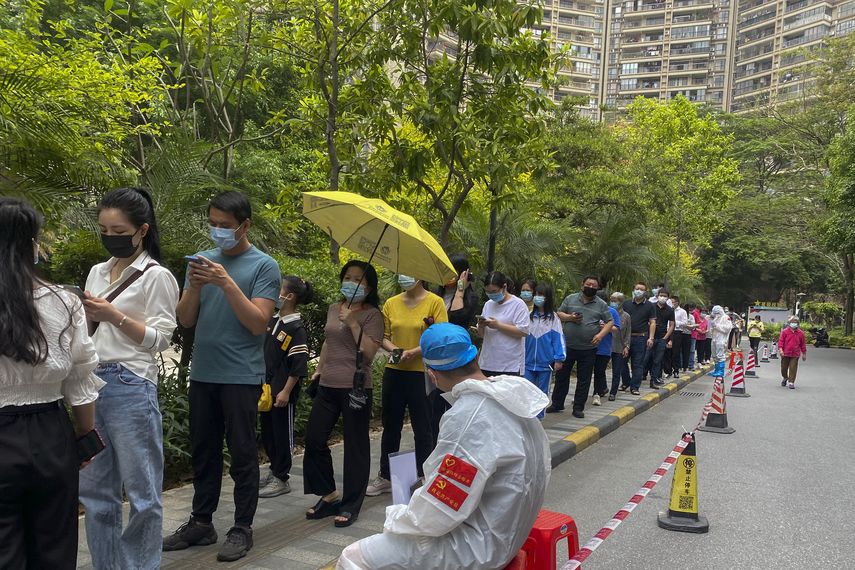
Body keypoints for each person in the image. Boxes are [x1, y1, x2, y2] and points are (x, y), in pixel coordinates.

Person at [335, 323, 550, 570]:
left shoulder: (469, 416)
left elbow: (439, 510)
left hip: (475, 548)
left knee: (354, 556)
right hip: (504, 531)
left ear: (431, 373)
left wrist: (396, 517)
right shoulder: (513, 398)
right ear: (475, 356)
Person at [163, 191, 281, 562]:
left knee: (243, 453)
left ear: (245, 225)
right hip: (204, 374)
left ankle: (242, 527)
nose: (217, 232)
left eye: (225, 226)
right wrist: (196, 286)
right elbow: (185, 319)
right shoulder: (200, 262)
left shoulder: (265, 266)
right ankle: (201, 522)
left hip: (241, 376)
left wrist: (226, 282)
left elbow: (258, 323)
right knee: (204, 450)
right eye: (212, 224)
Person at [79, 188, 180, 570]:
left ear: (141, 231)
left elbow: (161, 339)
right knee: (95, 494)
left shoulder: (158, 276)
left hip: (130, 384)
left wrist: (114, 316)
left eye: (118, 229)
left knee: (143, 493)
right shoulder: (97, 271)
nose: (110, 235)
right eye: (104, 228)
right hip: (90, 385)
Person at [0, 197, 103, 569]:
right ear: (32, 244)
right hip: (50, 434)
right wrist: (85, 436)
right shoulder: (65, 301)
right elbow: (80, 379)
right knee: (55, 547)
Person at [303, 261, 384, 527]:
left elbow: (370, 354)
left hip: (356, 388)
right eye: (347, 277)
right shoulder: (333, 309)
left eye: (358, 279)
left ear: (369, 286)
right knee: (314, 439)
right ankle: (329, 495)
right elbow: (329, 341)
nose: (351, 282)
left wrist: (353, 323)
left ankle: (351, 504)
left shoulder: (373, 315)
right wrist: (319, 370)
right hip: (328, 384)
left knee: (355, 447)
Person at [366, 275, 448, 497]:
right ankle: (385, 475)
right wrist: (396, 350)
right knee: (390, 425)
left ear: (421, 275)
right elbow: (383, 336)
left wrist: (414, 351)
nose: (404, 276)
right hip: (394, 370)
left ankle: (424, 475)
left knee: (423, 426)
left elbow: (440, 336)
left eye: (409, 271)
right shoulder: (391, 302)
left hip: (421, 372)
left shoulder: (435, 302)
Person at [258, 276, 312, 499]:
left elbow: (298, 366)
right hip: (267, 391)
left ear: (289, 296)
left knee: (282, 433)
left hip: (282, 392)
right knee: (269, 432)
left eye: (277, 288)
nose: (274, 292)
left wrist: (286, 391)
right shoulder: (274, 321)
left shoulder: (296, 328)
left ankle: (282, 477)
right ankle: (273, 470)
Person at [547, 275, 613, 418]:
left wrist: (600, 335)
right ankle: (557, 403)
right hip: (568, 346)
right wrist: (570, 317)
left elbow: (610, 322)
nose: (591, 287)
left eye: (594, 286)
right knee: (562, 376)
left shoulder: (601, 304)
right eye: (588, 284)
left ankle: (578, 407)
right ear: (582, 284)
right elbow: (558, 313)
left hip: (588, 348)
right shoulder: (570, 298)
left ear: (597, 288)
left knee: (584, 379)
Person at [432, 254, 478, 446]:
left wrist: (460, 290)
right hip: (436, 356)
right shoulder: (437, 296)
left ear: (463, 274)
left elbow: (459, 317)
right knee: (435, 406)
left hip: (457, 359)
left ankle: (456, 445)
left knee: (455, 404)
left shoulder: (470, 297)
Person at [523, 283, 566, 418]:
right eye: (536, 294)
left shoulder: (553, 318)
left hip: (545, 363)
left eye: (541, 295)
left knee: (542, 392)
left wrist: (559, 358)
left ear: (547, 298)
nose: (537, 297)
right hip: (528, 362)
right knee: (527, 390)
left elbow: (558, 339)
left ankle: (539, 417)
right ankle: (527, 417)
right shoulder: (528, 315)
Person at [477, 271, 530, 376]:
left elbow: (523, 331)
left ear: (504, 287)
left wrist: (498, 325)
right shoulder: (488, 305)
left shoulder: (518, 304)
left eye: (494, 291)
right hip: (487, 362)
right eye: (488, 292)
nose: (491, 295)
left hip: (510, 365)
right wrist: (481, 326)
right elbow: (483, 335)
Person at [621, 282, 656, 396]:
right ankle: (626, 382)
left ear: (645, 292)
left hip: (641, 338)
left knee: (638, 364)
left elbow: (652, 322)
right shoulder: (626, 304)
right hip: (626, 337)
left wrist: (651, 338)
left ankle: (635, 386)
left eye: (641, 289)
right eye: (637, 289)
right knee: (621, 361)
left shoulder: (650, 306)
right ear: (633, 289)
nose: (639, 291)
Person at [592, 291, 621, 406]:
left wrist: (605, 327)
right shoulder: (591, 310)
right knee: (586, 372)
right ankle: (582, 395)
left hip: (604, 347)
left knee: (599, 372)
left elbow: (616, 329)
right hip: (589, 346)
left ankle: (596, 394)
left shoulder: (612, 312)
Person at [649, 289, 675, 388]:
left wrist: (666, 338)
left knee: (657, 360)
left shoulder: (670, 310)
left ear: (667, 297)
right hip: (651, 336)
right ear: (657, 296)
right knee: (646, 358)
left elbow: (672, 325)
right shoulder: (651, 306)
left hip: (662, 337)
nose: (662, 297)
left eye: (664, 296)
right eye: (661, 295)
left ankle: (653, 380)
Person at [609, 292, 632, 402]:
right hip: (606, 346)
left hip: (619, 346)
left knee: (617, 371)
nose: (613, 303)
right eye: (612, 300)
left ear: (621, 302)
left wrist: (626, 346)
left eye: (615, 301)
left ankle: (613, 392)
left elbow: (628, 333)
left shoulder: (626, 316)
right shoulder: (606, 313)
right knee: (599, 371)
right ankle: (600, 390)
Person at [778, 316, 807, 389]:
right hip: (785, 353)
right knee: (783, 368)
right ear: (789, 323)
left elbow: (802, 344)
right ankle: (785, 377)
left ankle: (791, 382)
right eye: (792, 322)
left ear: (798, 323)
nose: (794, 324)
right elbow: (781, 341)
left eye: (795, 322)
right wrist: (781, 350)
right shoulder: (785, 332)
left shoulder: (801, 333)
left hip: (795, 354)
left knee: (793, 368)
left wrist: (804, 354)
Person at [709, 305, 732, 378]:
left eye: (717, 313)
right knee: (714, 355)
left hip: (721, 339)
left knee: (720, 355)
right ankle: (716, 370)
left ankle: (721, 371)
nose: (716, 315)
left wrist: (717, 326)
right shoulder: (716, 317)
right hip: (714, 338)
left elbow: (728, 328)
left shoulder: (726, 318)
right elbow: (712, 327)